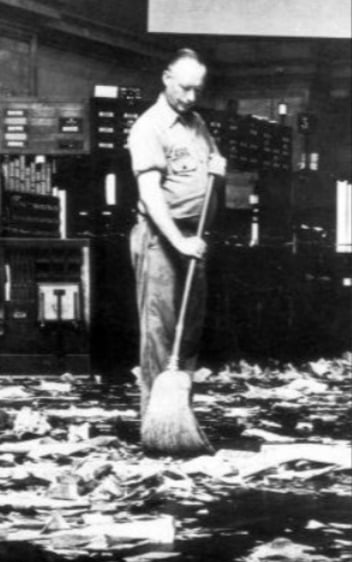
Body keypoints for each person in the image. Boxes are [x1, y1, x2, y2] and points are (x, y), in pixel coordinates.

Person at [127, 48, 227, 417]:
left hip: (193, 240)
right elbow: (151, 196)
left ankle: (178, 418)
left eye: (197, 90)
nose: (191, 97)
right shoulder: (149, 127)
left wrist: (218, 170)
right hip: (161, 240)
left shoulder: (197, 124)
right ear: (166, 78)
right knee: (160, 335)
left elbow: (210, 167)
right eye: (184, 88)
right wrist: (179, 241)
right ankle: (155, 424)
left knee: (188, 334)